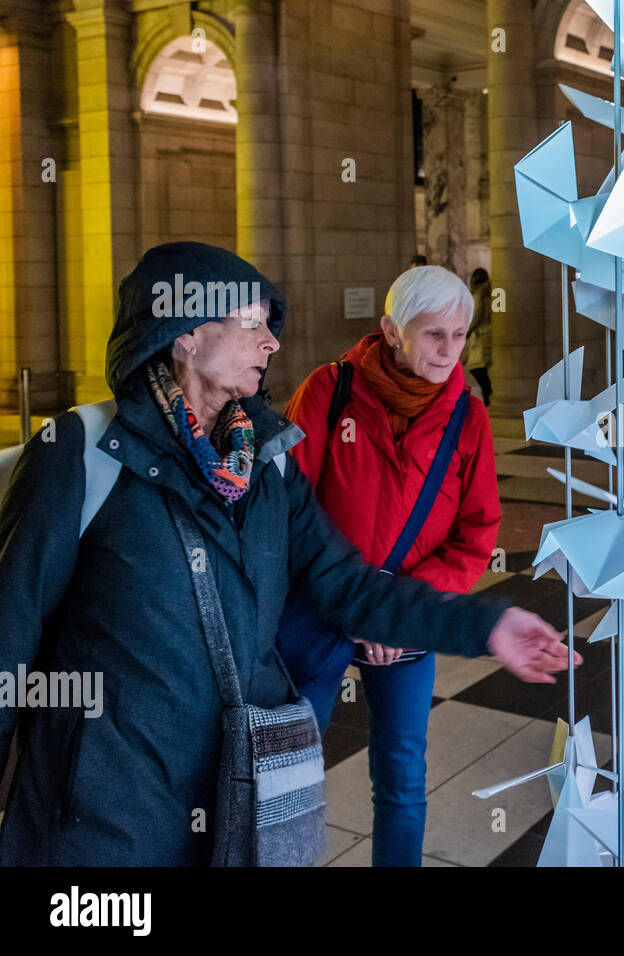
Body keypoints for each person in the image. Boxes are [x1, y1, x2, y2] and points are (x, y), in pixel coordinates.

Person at [0, 242, 577, 866]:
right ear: (186, 334)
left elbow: (349, 586)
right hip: (105, 817)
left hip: (234, 798)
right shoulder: (83, 454)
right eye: (253, 324)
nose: (271, 343)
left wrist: (488, 625)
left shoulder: (267, 465)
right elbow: (9, 633)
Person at [280, 265, 499, 866]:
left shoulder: (468, 418)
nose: (449, 351)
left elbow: (477, 535)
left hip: (404, 622)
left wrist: (396, 612)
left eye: (460, 336)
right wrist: (349, 600)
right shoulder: (331, 390)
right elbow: (288, 510)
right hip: (320, 611)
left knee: (402, 778)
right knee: (288, 772)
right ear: (391, 329)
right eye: (434, 335)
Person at [465, 268, 492, 407]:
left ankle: (488, 394)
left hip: (480, 335)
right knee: (482, 367)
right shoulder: (491, 292)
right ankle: (488, 394)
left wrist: (467, 331)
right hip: (487, 333)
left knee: (476, 367)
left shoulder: (478, 295)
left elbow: (476, 316)